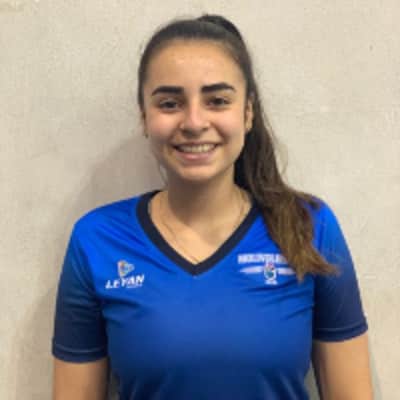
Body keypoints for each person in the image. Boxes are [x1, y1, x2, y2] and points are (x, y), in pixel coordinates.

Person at [52, 14, 373, 400]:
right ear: (144, 117)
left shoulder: (309, 227)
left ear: (248, 112)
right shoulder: (98, 241)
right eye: (170, 103)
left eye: (217, 101)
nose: (194, 122)